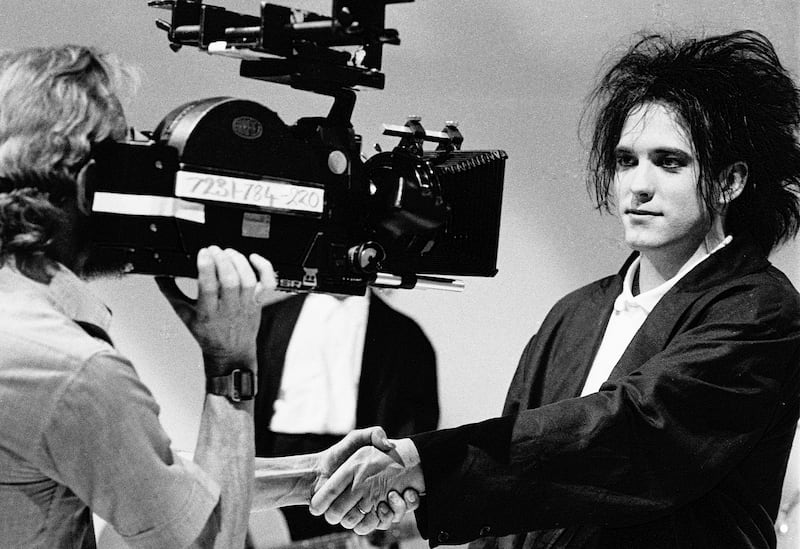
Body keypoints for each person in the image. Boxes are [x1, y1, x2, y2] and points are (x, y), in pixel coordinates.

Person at [307, 30, 800, 548]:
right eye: (626, 160)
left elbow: (630, 433)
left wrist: (423, 460)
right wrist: (412, 477)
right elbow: (519, 479)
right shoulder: (577, 311)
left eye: (670, 162)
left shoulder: (762, 310)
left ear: (730, 181)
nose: (638, 185)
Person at [0, 44, 409, 549]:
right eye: (131, 159)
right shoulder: (73, 371)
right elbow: (208, 541)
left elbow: (147, 486)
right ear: (89, 186)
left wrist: (307, 477)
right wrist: (231, 362)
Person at [254, 288, 439, 541]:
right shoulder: (271, 319)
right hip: (278, 465)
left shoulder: (405, 334)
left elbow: (415, 426)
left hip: (359, 474)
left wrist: (390, 491)